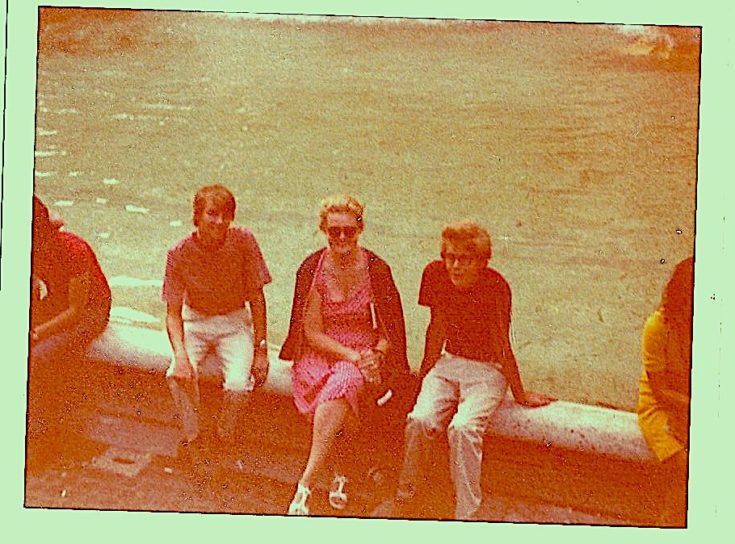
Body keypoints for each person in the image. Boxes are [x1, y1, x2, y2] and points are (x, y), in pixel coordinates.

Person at [388, 221, 554, 520]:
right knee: (419, 420)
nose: (454, 265)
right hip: (449, 362)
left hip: (488, 370)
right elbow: (436, 328)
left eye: (464, 259)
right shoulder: (434, 274)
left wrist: (520, 393)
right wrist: (425, 373)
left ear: (481, 261)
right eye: (449, 256)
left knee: (463, 428)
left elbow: (501, 342)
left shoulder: (496, 286)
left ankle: (467, 513)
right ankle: (406, 493)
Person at [279, 195, 411, 516]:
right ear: (323, 229)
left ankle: (309, 484)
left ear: (359, 230)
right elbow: (312, 333)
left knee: (344, 386)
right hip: (323, 352)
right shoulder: (313, 269)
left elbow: (390, 330)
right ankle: (330, 473)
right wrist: (353, 356)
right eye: (334, 231)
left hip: (363, 352)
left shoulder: (377, 270)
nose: (341, 238)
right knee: (342, 388)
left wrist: (376, 354)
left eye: (348, 232)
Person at [162, 184, 271, 463]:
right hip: (195, 321)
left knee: (238, 385)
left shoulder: (244, 241)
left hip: (234, 322)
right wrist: (181, 355)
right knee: (177, 375)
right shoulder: (178, 253)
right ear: (197, 216)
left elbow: (257, 298)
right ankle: (193, 438)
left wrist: (261, 348)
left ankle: (225, 434)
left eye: (226, 215)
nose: (219, 221)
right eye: (212, 214)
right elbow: (173, 313)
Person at [27, 195, 112, 469]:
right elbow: (33, 288)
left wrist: (37, 332)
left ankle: (43, 437)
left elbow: (76, 310)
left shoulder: (73, 250)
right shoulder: (31, 247)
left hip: (91, 309)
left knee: (40, 357)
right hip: (58, 301)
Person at [637, 256, 693, 527]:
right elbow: (659, 391)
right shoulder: (657, 327)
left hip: (691, 402)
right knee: (684, 466)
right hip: (661, 404)